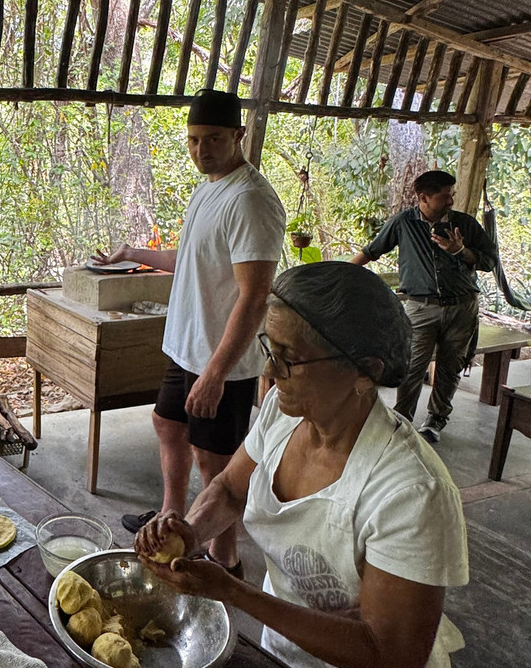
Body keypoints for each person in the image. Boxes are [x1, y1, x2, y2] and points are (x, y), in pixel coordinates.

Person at [135, 261, 469, 668]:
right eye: (269, 349)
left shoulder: (412, 493)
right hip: (282, 652)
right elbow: (230, 489)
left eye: (288, 358)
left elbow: (390, 652)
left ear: (365, 372)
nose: (270, 373)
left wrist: (234, 591)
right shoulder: (284, 410)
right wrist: (190, 532)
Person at [94, 89, 285, 577]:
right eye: (195, 140)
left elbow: (255, 294)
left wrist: (217, 373)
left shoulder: (250, 201)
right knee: (168, 426)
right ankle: (169, 519)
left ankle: (225, 562)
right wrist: (133, 254)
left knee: (216, 466)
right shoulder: (208, 189)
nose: (203, 150)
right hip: (185, 348)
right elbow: (191, 260)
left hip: (220, 360)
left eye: (215, 139)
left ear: (239, 136)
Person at [350, 169, 497, 442]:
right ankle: (401, 421)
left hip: (461, 307)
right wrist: (340, 274)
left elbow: (490, 261)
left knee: (449, 368)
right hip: (421, 307)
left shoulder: (464, 224)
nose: (451, 201)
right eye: (444, 196)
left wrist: (461, 252)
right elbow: (371, 251)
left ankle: (435, 421)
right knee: (411, 367)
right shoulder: (403, 223)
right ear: (423, 198)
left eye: (451, 195)